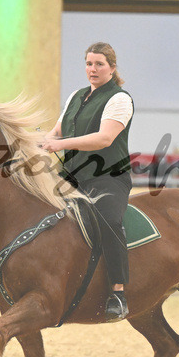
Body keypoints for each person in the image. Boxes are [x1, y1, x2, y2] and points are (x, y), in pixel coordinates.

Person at [41, 42, 134, 323]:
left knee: (109, 220)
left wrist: (59, 145)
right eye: (89, 64)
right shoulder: (75, 96)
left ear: (112, 68)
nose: (92, 69)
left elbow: (105, 138)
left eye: (99, 65)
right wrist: (37, 142)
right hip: (69, 177)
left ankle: (117, 291)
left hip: (108, 178)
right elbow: (56, 131)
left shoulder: (120, 99)